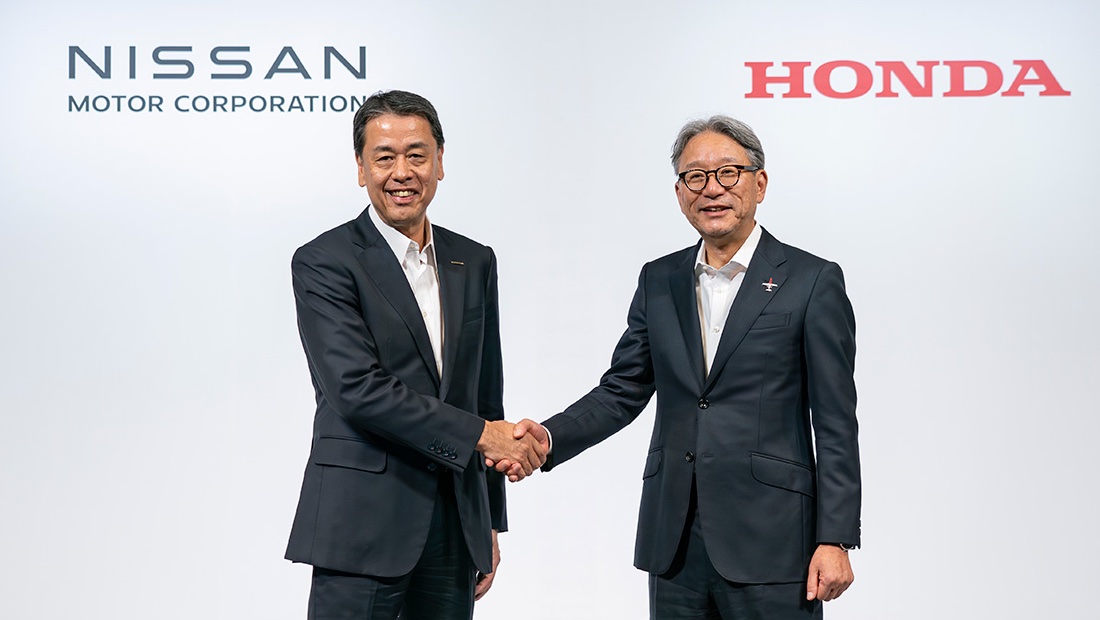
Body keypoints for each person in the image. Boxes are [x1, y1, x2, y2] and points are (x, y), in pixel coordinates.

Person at [501, 115, 861, 619]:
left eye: (728, 173)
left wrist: (835, 537)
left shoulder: (811, 280)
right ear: (679, 193)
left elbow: (836, 419)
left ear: (759, 184)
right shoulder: (659, 280)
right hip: (675, 544)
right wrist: (547, 438)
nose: (711, 189)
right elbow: (622, 389)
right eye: (695, 176)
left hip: (775, 540)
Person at [285, 89, 545, 620]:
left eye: (417, 155)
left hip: (453, 526)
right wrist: (481, 435)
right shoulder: (323, 261)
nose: (401, 172)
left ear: (440, 162)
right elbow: (358, 390)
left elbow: (484, 393)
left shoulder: (474, 260)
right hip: (360, 524)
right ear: (361, 168)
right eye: (384, 157)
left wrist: (489, 521)